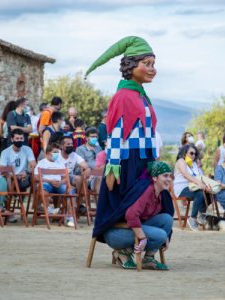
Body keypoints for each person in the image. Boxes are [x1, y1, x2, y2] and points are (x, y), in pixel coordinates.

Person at [87, 36, 159, 246]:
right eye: (147, 64)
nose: (152, 69)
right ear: (131, 65)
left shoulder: (141, 95)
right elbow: (116, 134)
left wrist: (154, 163)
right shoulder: (123, 96)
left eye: (153, 64)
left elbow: (149, 133)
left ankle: (146, 250)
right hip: (128, 163)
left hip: (144, 162)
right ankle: (122, 249)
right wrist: (113, 166)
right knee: (126, 207)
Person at [105, 161, 174, 270]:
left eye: (170, 176)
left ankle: (148, 259)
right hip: (116, 233)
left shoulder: (161, 193)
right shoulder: (146, 189)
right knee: (160, 235)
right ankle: (122, 252)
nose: (169, 179)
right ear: (155, 178)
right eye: (165, 176)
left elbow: (165, 221)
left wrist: (168, 233)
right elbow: (131, 215)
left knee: (167, 219)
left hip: (132, 229)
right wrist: (143, 238)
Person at [34, 143, 75, 225]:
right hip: (47, 183)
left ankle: (70, 217)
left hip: (58, 185)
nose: (57, 154)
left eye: (58, 152)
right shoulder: (42, 163)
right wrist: (50, 181)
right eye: (55, 152)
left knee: (71, 191)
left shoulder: (60, 163)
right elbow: (36, 178)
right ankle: (48, 209)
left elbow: (64, 178)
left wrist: (60, 183)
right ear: (48, 153)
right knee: (43, 186)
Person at [173, 145, 211, 231]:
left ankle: (200, 213)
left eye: (195, 153)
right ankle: (193, 218)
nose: (193, 155)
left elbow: (199, 176)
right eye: (191, 153)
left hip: (193, 187)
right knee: (200, 193)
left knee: (212, 193)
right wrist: (198, 183)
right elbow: (185, 174)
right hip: (182, 188)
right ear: (185, 153)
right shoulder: (181, 161)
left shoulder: (194, 164)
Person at [0, 129, 37, 204]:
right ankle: (10, 203)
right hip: (10, 179)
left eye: (21, 138)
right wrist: (14, 176)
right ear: (12, 139)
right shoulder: (5, 152)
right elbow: (2, 170)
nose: (19, 140)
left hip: (23, 178)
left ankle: (36, 203)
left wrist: (26, 172)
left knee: (35, 176)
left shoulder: (27, 149)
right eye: (17, 138)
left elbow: (34, 166)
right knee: (4, 179)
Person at [75, 127, 103, 197]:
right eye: (92, 136)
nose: (95, 138)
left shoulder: (99, 149)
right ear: (87, 138)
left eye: (96, 137)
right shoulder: (80, 149)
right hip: (86, 174)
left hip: (98, 173)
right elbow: (81, 165)